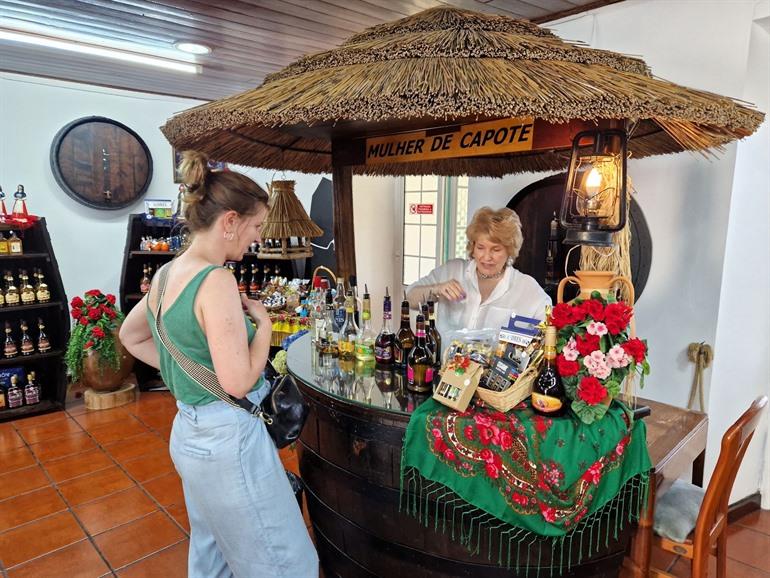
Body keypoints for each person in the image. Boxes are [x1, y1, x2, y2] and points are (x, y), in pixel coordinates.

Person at [120, 151, 318, 578]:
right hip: (230, 441)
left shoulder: (167, 274)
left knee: (213, 554)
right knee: (290, 563)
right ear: (230, 221)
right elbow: (239, 382)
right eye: (256, 227)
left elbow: (131, 335)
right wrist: (263, 326)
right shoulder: (216, 280)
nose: (257, 240)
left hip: (190, 434)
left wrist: (187, 374)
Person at [407, 206, 550, 338]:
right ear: (473, 247)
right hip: (445, 365)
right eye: (481, 247)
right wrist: (436, 289)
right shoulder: (452, 270)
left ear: (509, 250)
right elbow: (410, 298)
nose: (487, 257)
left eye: (496, 249)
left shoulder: (525, 287)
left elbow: (550, 325)